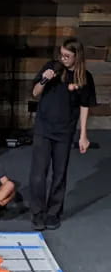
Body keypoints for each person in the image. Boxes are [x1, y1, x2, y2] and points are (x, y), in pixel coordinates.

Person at [29, 38, 96, 231]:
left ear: (77, 57)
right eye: (61, 54)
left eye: (67, 56)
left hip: (65, 131)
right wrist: (44, 79)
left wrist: (83, 135)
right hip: (44, 128)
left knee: (59, 174)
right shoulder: (52, 67)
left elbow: (85, 106)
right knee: (38, 174)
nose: (63, 58)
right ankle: (38, 213)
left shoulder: (84, 78)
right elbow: (35, 93)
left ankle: (53, 213)